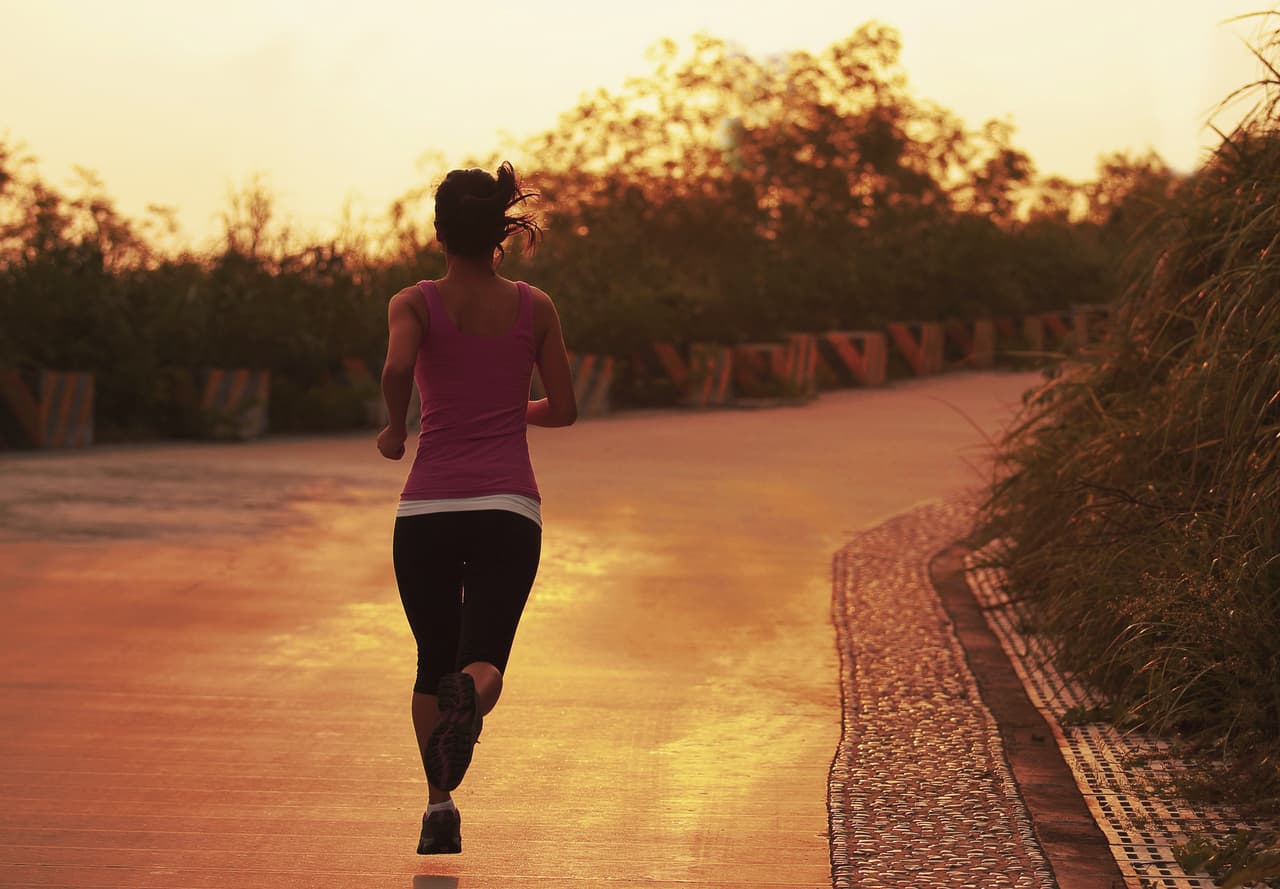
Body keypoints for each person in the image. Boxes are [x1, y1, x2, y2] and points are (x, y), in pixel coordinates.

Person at [376, 161, 577, 855]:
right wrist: (504, 408)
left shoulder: (414, 301)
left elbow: (399, 367)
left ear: (438, 232)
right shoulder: (536, 306)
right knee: (483, 657)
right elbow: (568, 408)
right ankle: (473, 689)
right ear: (497, 234)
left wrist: (397, 427)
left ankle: (438, 808)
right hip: (507, 509)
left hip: (426, 509)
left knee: (432, 657)